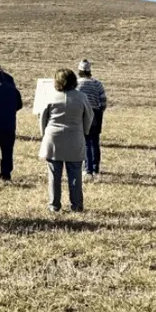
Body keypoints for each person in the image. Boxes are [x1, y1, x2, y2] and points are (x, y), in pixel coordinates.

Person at [39, 69, 93, 213]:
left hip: (53, 139)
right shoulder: (81, 97)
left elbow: (43, 118)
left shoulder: (50, 96)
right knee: (75, 173)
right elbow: (89, 115)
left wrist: (44, 134)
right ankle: (76, 205)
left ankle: (54, 205)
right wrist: (85, 131)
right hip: (75, 137)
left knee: (54, 174)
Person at [77, 60, 108, 181]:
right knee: (95, 141)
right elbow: (103, 101)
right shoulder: (97, 84)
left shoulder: (77, 84)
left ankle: (87, 169)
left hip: (82, 114)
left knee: (85, 141)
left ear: (79, 71)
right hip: (95, 113)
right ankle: (95, 169)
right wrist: (100, 111)